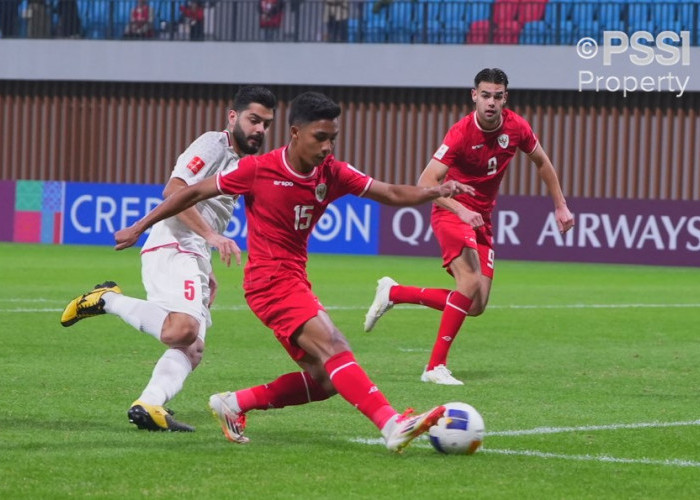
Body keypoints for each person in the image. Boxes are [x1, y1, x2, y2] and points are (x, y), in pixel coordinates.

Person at [114, 91, 471, 452]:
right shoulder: (257, 169)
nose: (328, 146)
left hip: (294, 279)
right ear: (296, 133)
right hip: (269, 281)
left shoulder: (333, 173)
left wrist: (436, 191)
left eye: (333, 138)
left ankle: (234, 403)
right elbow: (188, 193)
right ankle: (392, 423)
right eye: (321, 137)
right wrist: (139, 226)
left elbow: (392, 193)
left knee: (325, 380)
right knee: (334, 346)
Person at [60, 86, 278, 432]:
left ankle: (150, 403)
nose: (260, 130)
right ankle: (108, 300)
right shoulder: (213, 144)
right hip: (174, 243)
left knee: (194, 347)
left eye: (266, 124)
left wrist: (205, 262)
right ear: (232, 116)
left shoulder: (244, 162)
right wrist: (209, 236)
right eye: (254, 120)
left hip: (193, 252)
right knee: (184, 329)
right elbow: (175, 189)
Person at [364, 68, 575, 386]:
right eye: (485, 95)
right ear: (474, 95)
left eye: (497, 96)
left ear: (506, 97)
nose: (491, 102)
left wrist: (560, 205)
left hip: (482, 220)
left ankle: (395, 292)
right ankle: (434, 366)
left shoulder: (517, 127)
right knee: (470, 281)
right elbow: (426, 182)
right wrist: (460, 209)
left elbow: (542, 162)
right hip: (451, 213)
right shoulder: (461, 133)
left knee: (475, 304)